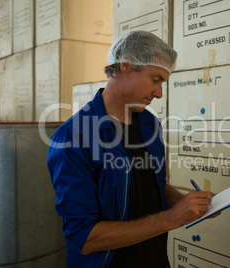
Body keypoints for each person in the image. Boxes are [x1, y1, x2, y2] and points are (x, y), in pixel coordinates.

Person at [47, 30, 215, 267]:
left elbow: (152, 184)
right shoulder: (74, 137)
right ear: (126, 66)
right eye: (155, 79)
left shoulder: (150, 124)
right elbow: (84, 237)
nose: (159, 93)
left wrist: (190, 204)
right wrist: (169, 219)